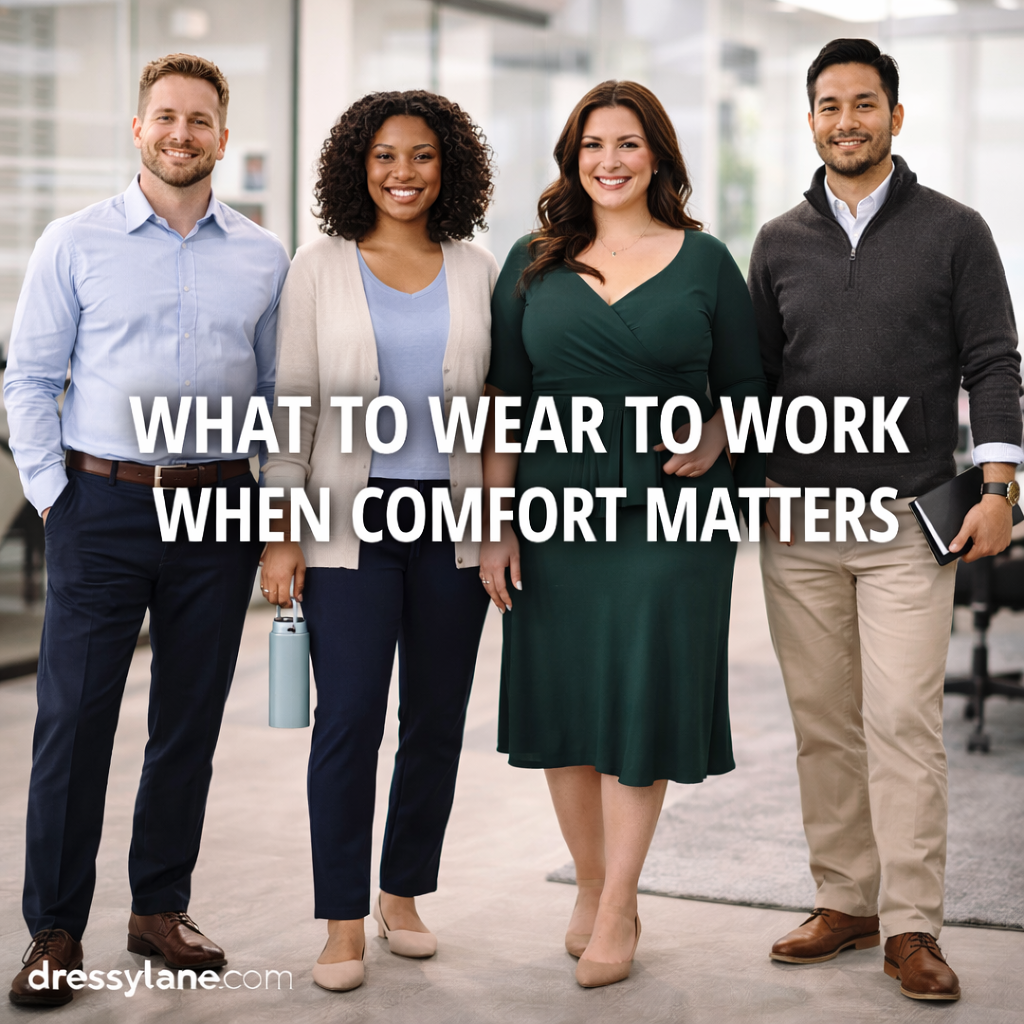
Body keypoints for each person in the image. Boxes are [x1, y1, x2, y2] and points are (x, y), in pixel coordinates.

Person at [4, 54, 289, 1007]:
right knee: (74, 724)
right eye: (165, 117)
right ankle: (55, 928)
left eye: (199, 120)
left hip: (218, 510)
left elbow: (281, 400)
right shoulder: (73, 242)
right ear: (139, 130)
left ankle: (159, 907)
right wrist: (56, 497)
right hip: (104, 505)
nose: (181, 133)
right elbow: (30, 380)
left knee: (189, 723)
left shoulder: (262, 253)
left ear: (220, 134)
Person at [749, 38, 1022, 1003]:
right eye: (829, 105)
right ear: (811, 119)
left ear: (896, 118)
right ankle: (847, 900)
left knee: (902, 722)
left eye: (865, 104)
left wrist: (1000, 488)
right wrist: (758, 481)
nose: (847, 121)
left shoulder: (956, 230)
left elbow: (993, 361)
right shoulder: (779, 240)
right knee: (824, 725)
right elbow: (761, 379)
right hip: (801, 521)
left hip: (913, 519)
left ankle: (913, 925)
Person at [480, 80, 767, 989]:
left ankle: (617, 906)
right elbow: (502, 404)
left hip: (671, 515)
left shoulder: (706, 259)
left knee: (640, 696)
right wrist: (492, 523)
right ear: (573, 158)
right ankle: (597, 882)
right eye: (593, 144)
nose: (610, 160)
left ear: (659, 158)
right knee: (565, 704)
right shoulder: (531, 258)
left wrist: (720, 432)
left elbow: (751, 391)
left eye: (629, 144)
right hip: (554, 509)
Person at [260, 90, 496, 993]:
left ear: (451, 168)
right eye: (387, 155)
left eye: (424, 156)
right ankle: (341, 921)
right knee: (349, 720)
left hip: (452, 524)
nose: (405, 173)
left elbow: (494, 411)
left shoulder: (477, 270)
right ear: (359, 165)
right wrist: (280, 532)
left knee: (434, 722)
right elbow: (294, 408)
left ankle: (402, 894)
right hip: (346, 527)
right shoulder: (319, 266)